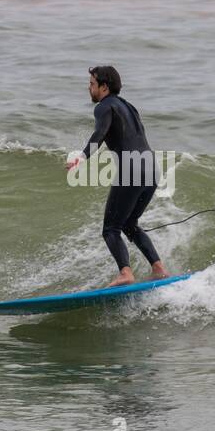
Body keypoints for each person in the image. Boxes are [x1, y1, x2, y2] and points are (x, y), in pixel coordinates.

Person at [67, 67, 170, 288]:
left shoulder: (104, 106)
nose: (89, 87)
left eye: (92, 83)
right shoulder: (128, 107)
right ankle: (159, 268)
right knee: (130, 224)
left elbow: (100, 133)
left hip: (132, 168)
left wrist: (81, 156)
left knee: (110, 229)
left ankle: (125, 273)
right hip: (152, 168)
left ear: (104, 87)